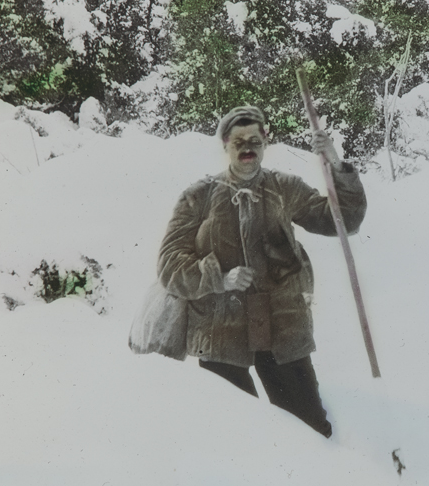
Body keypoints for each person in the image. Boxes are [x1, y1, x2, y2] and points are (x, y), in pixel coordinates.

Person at [157, 105, 367, 437]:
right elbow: (169, 265)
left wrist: (336, 164)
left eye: (254, 139)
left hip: (282, 326)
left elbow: (343, 221)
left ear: (266, 141)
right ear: (225, 143)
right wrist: (219, 278)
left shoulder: (285, 188)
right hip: (220, 330)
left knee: (309, 429)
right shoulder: (198, 196)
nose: (247, 147)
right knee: (234, 437)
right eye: (238, 140)